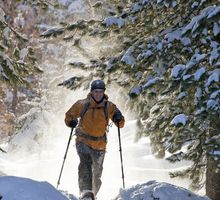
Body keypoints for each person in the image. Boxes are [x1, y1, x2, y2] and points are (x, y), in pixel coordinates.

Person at [65, 79, 125, 200]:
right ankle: (85, 192)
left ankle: (93, 194)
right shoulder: (82, 104)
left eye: (101, 92)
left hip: (100, 144)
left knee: (97, 172)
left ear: (104, 93)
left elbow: (121, 123)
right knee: (85, 164)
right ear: (91, 92)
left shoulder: (109, 106)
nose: (98, 94)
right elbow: (69, 115)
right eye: (96, 91)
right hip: (83, 140)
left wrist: (119, 118)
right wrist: (71, 121)